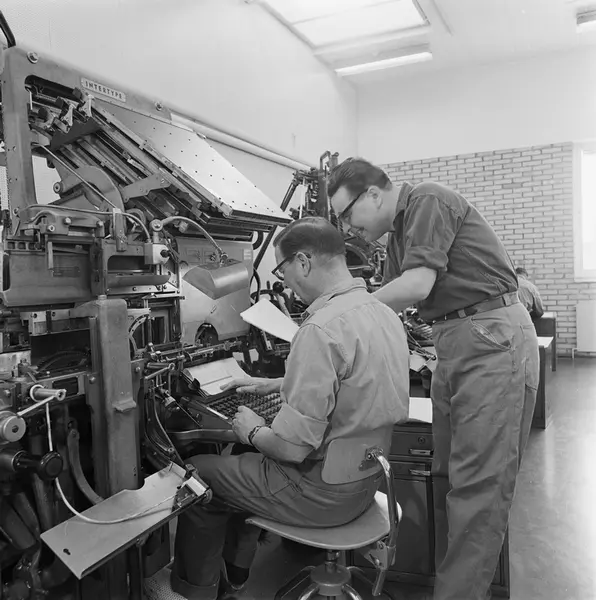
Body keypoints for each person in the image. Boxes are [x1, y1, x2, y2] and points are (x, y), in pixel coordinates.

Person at [147, 216, 410, 600]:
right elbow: (356, 385)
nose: (284, 282)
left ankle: (189, 592)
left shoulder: (319, 329)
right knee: (241, 462)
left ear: (303, 261)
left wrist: (252, 429)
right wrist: (277, 385)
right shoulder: (382, 312)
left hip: (320, 495)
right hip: (366, 483)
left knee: (199, 475)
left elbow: (290, 449)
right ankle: (236, 574)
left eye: (282, 271)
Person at [327, 158, 539, 600]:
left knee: (478, 489)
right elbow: (390, 307)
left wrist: (342, 316)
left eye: (346, 214)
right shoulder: (398, 239)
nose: (347, 228)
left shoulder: (427, 198)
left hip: (490, 339)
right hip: (454, 341)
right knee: (447, 479)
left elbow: (417, 286)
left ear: (373, 194)